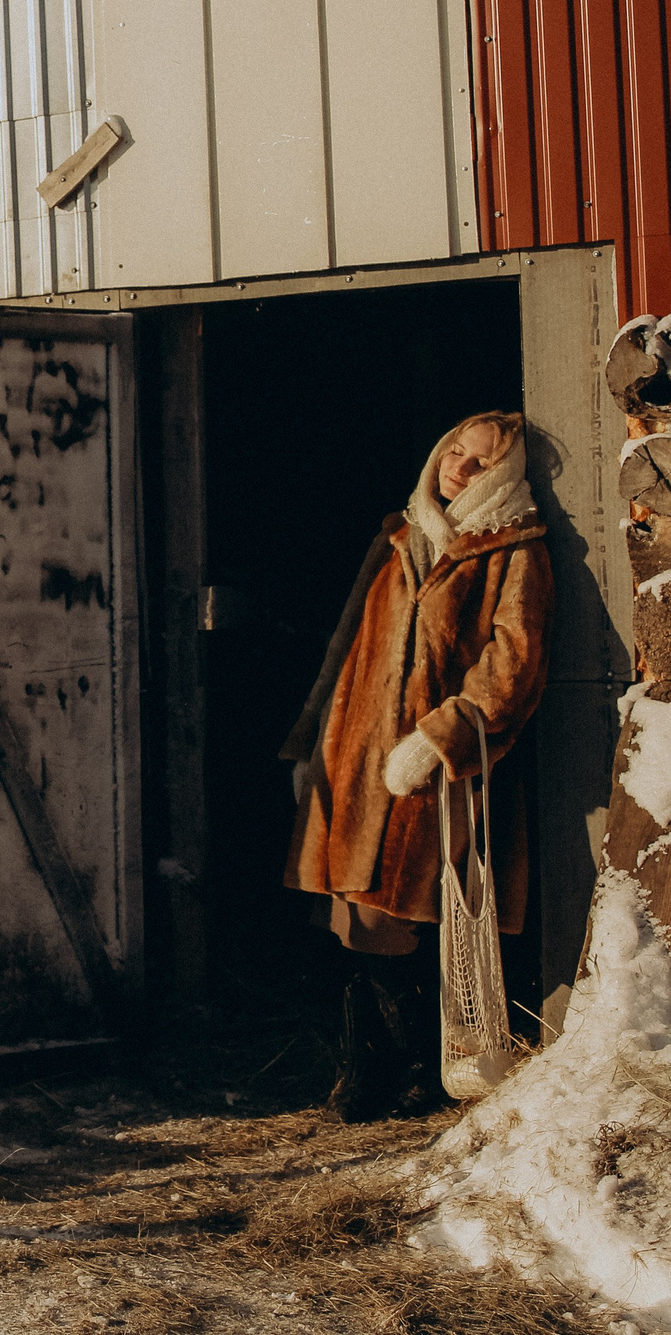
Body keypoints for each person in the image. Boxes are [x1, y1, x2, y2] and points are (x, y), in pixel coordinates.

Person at [279, 412, 553, 1120]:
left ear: (504, 474)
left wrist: (441, 738)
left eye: (477, 461)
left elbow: (515, 661)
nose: (456, 468)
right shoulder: (399, 535)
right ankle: (361, 1065)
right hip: (357, 758)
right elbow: (345, 645)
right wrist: (310, 744)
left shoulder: (514, 548)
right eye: (453, 451)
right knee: (350, 923)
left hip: (438, 774)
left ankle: (421, 1070)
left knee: (419, 921)